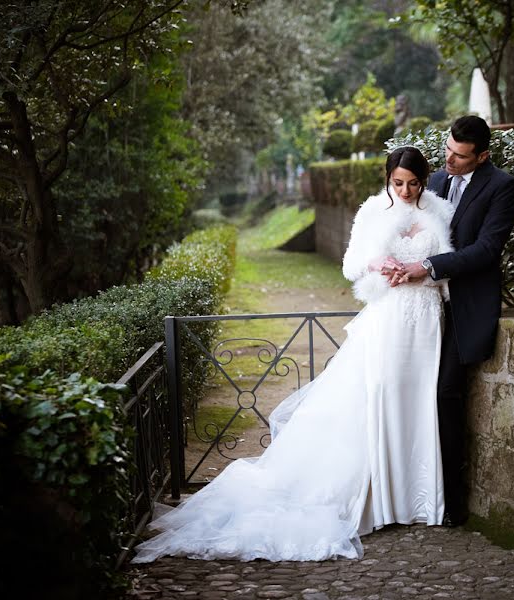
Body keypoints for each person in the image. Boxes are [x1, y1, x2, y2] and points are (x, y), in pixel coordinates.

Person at [132, 147, 455, 563]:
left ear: (424, 179)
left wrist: (426, 270)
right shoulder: (373, 211)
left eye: (413, 183)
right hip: (390, 317)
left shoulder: (441, 212)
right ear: (387, 179)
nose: (406, 191)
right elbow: (350, 265)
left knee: (420, 403)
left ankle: (421, 499)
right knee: (382, 396)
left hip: (427, 320)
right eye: (398, 183)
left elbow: (451, 265)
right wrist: (381, 263)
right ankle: (385, 501)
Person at [397, 116, 514, 527]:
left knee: (445, 393)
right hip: (419, 307)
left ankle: (452, 501)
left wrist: (428, 266)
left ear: (483, 156)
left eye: (460, 156)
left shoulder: (502, 187)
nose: (448, 160)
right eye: (447, 150)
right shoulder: (431, 181)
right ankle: (403, 491)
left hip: (462, 306)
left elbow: (487, 250)